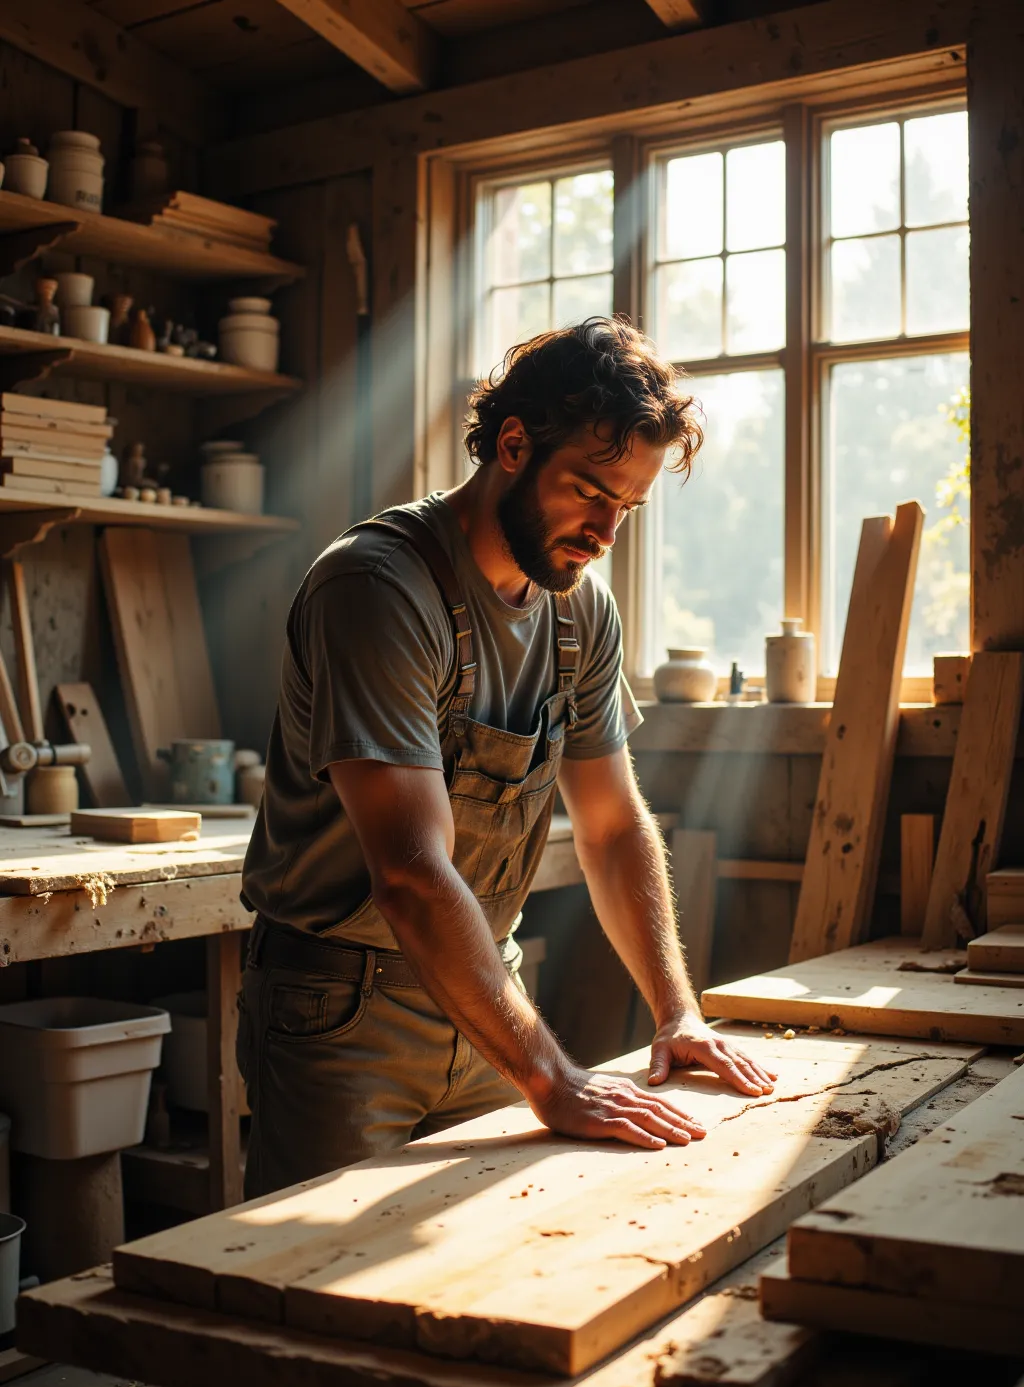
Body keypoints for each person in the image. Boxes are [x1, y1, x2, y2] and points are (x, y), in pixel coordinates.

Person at [238, 315, 777, 1199]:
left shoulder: (579, 610)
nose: (605, 531)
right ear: (516, 445)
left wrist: (677, 1010)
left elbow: (610, 828)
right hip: (341, 1013)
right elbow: (411, 874)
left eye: (627, 509)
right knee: (315, 1293)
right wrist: (553, 1080)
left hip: (490, 994)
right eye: (589, 492)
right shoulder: (377, 588)